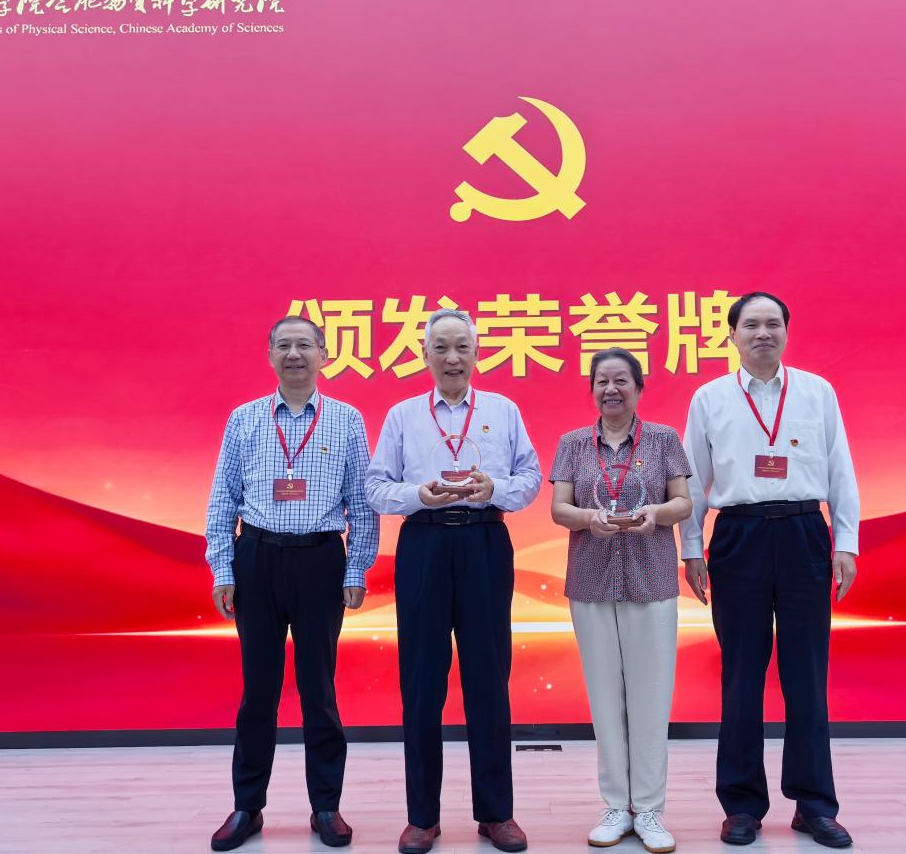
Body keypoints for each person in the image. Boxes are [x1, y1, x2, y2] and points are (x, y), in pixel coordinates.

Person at [680, 292, 859, 849]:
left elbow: (841, 468)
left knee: (807, 674)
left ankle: (815, 804)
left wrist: (846, 542)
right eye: (751, 324)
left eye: (773, 323)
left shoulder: (817, 391)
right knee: (741, 675)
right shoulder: (709, 398)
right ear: (732, 335)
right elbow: (692, 481)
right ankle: (741, 805)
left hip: (805, 532)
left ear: (787, 331)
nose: (763, 333)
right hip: (740, 536)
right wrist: (692, 549)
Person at [366, 308, 541, 854]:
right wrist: (417, 495)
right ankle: (422, 816)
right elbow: (376, 487)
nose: (452, 357)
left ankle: (496, 813)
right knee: (421, 682)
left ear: (477, 353)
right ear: (424, 355)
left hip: (485, 542)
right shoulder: (402, 415)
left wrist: (494, 489)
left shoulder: (503, 410)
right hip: (424, 543)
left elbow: (531, 477)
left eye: (462, 346)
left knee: (488, 677)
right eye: (440, 347)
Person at [205, 315, 379, 851]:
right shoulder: (244, 418)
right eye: (284, 345)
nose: (295, 354)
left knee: (318, 691)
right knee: (258, 691)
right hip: (256, 558)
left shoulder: (346, 419)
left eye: (305, 344)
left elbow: (362, 503)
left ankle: (326, 805)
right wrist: (223, 569)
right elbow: (222, 499)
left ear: (324, 354)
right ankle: (247, 806)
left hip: (320, 562)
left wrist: (356, 568)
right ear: (270, 355)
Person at [549, 348, 692, 854]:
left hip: (651, 579)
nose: (611, 389)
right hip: (591, 581)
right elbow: (559, 509)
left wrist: (657, 512)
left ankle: (649, 810)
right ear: (592, 389)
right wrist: (590, 519)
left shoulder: (664, 439)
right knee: (605, 700)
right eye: (602, 381)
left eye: (621, 380)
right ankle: (615, 806)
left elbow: (683, 502)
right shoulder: (572, 443)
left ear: (639, 387)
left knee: (651, 698)